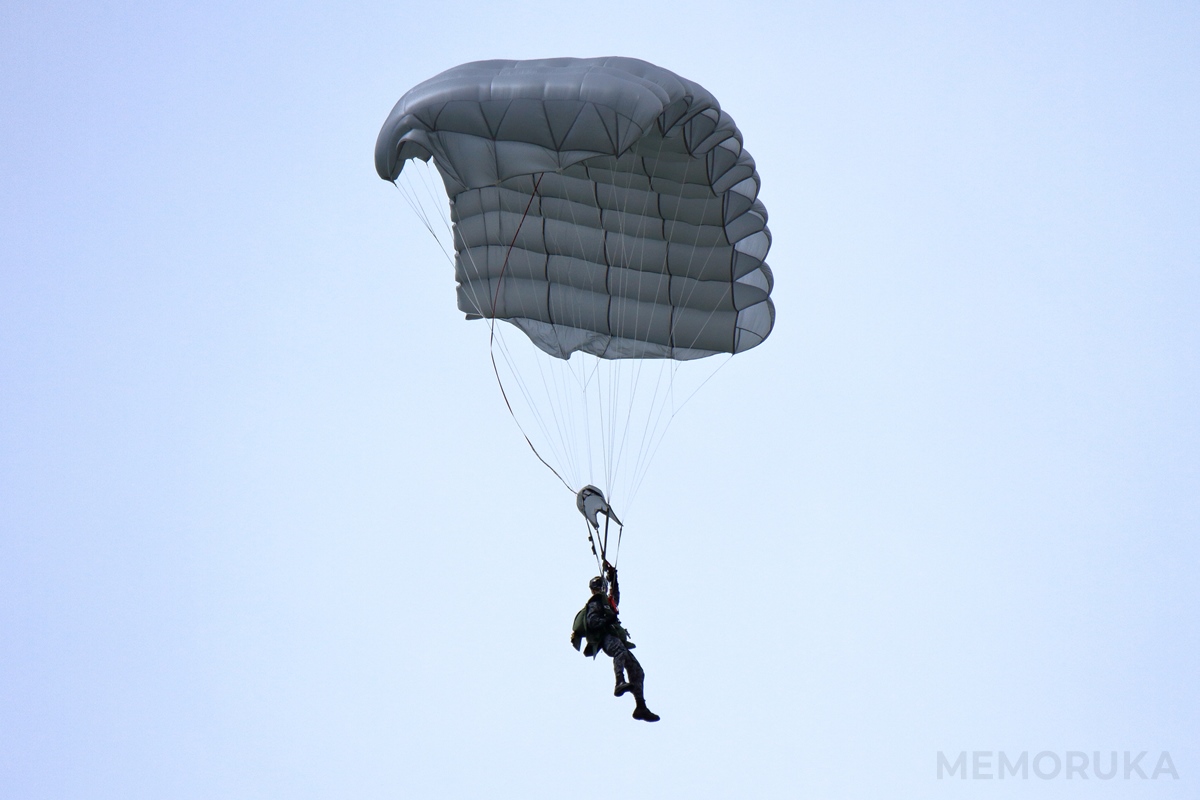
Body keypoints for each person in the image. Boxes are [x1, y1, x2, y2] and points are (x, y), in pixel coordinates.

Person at [570, 563, 660, 722]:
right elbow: (592, 622)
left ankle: (640, 707)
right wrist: (607, 620)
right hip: (605, 637)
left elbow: (615, 597)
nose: (599, 590)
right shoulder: (595, 602)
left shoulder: (607, 601)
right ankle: (619, 682)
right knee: (619, 652)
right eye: (597, 587)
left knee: (638, 671)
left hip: (615, 637)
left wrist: (614, 578)